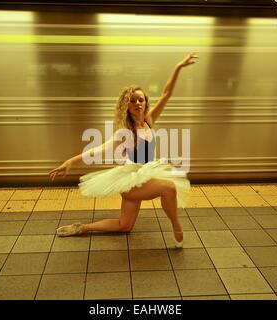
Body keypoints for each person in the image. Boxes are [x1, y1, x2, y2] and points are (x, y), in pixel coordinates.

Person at [49, 53, 199, 248]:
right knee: (169, 187)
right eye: (133, 101)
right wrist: (70, 161)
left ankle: (82, 228)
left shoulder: (148, 121)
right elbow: (99, 150)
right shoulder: (125, 132)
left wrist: (178, 67)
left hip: (146, 175)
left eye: (141, 100)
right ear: (127, 106)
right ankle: (176, 226)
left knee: (124, 225)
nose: (138, 103)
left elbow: (166, 94)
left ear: (145, 103)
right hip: (133, 180)